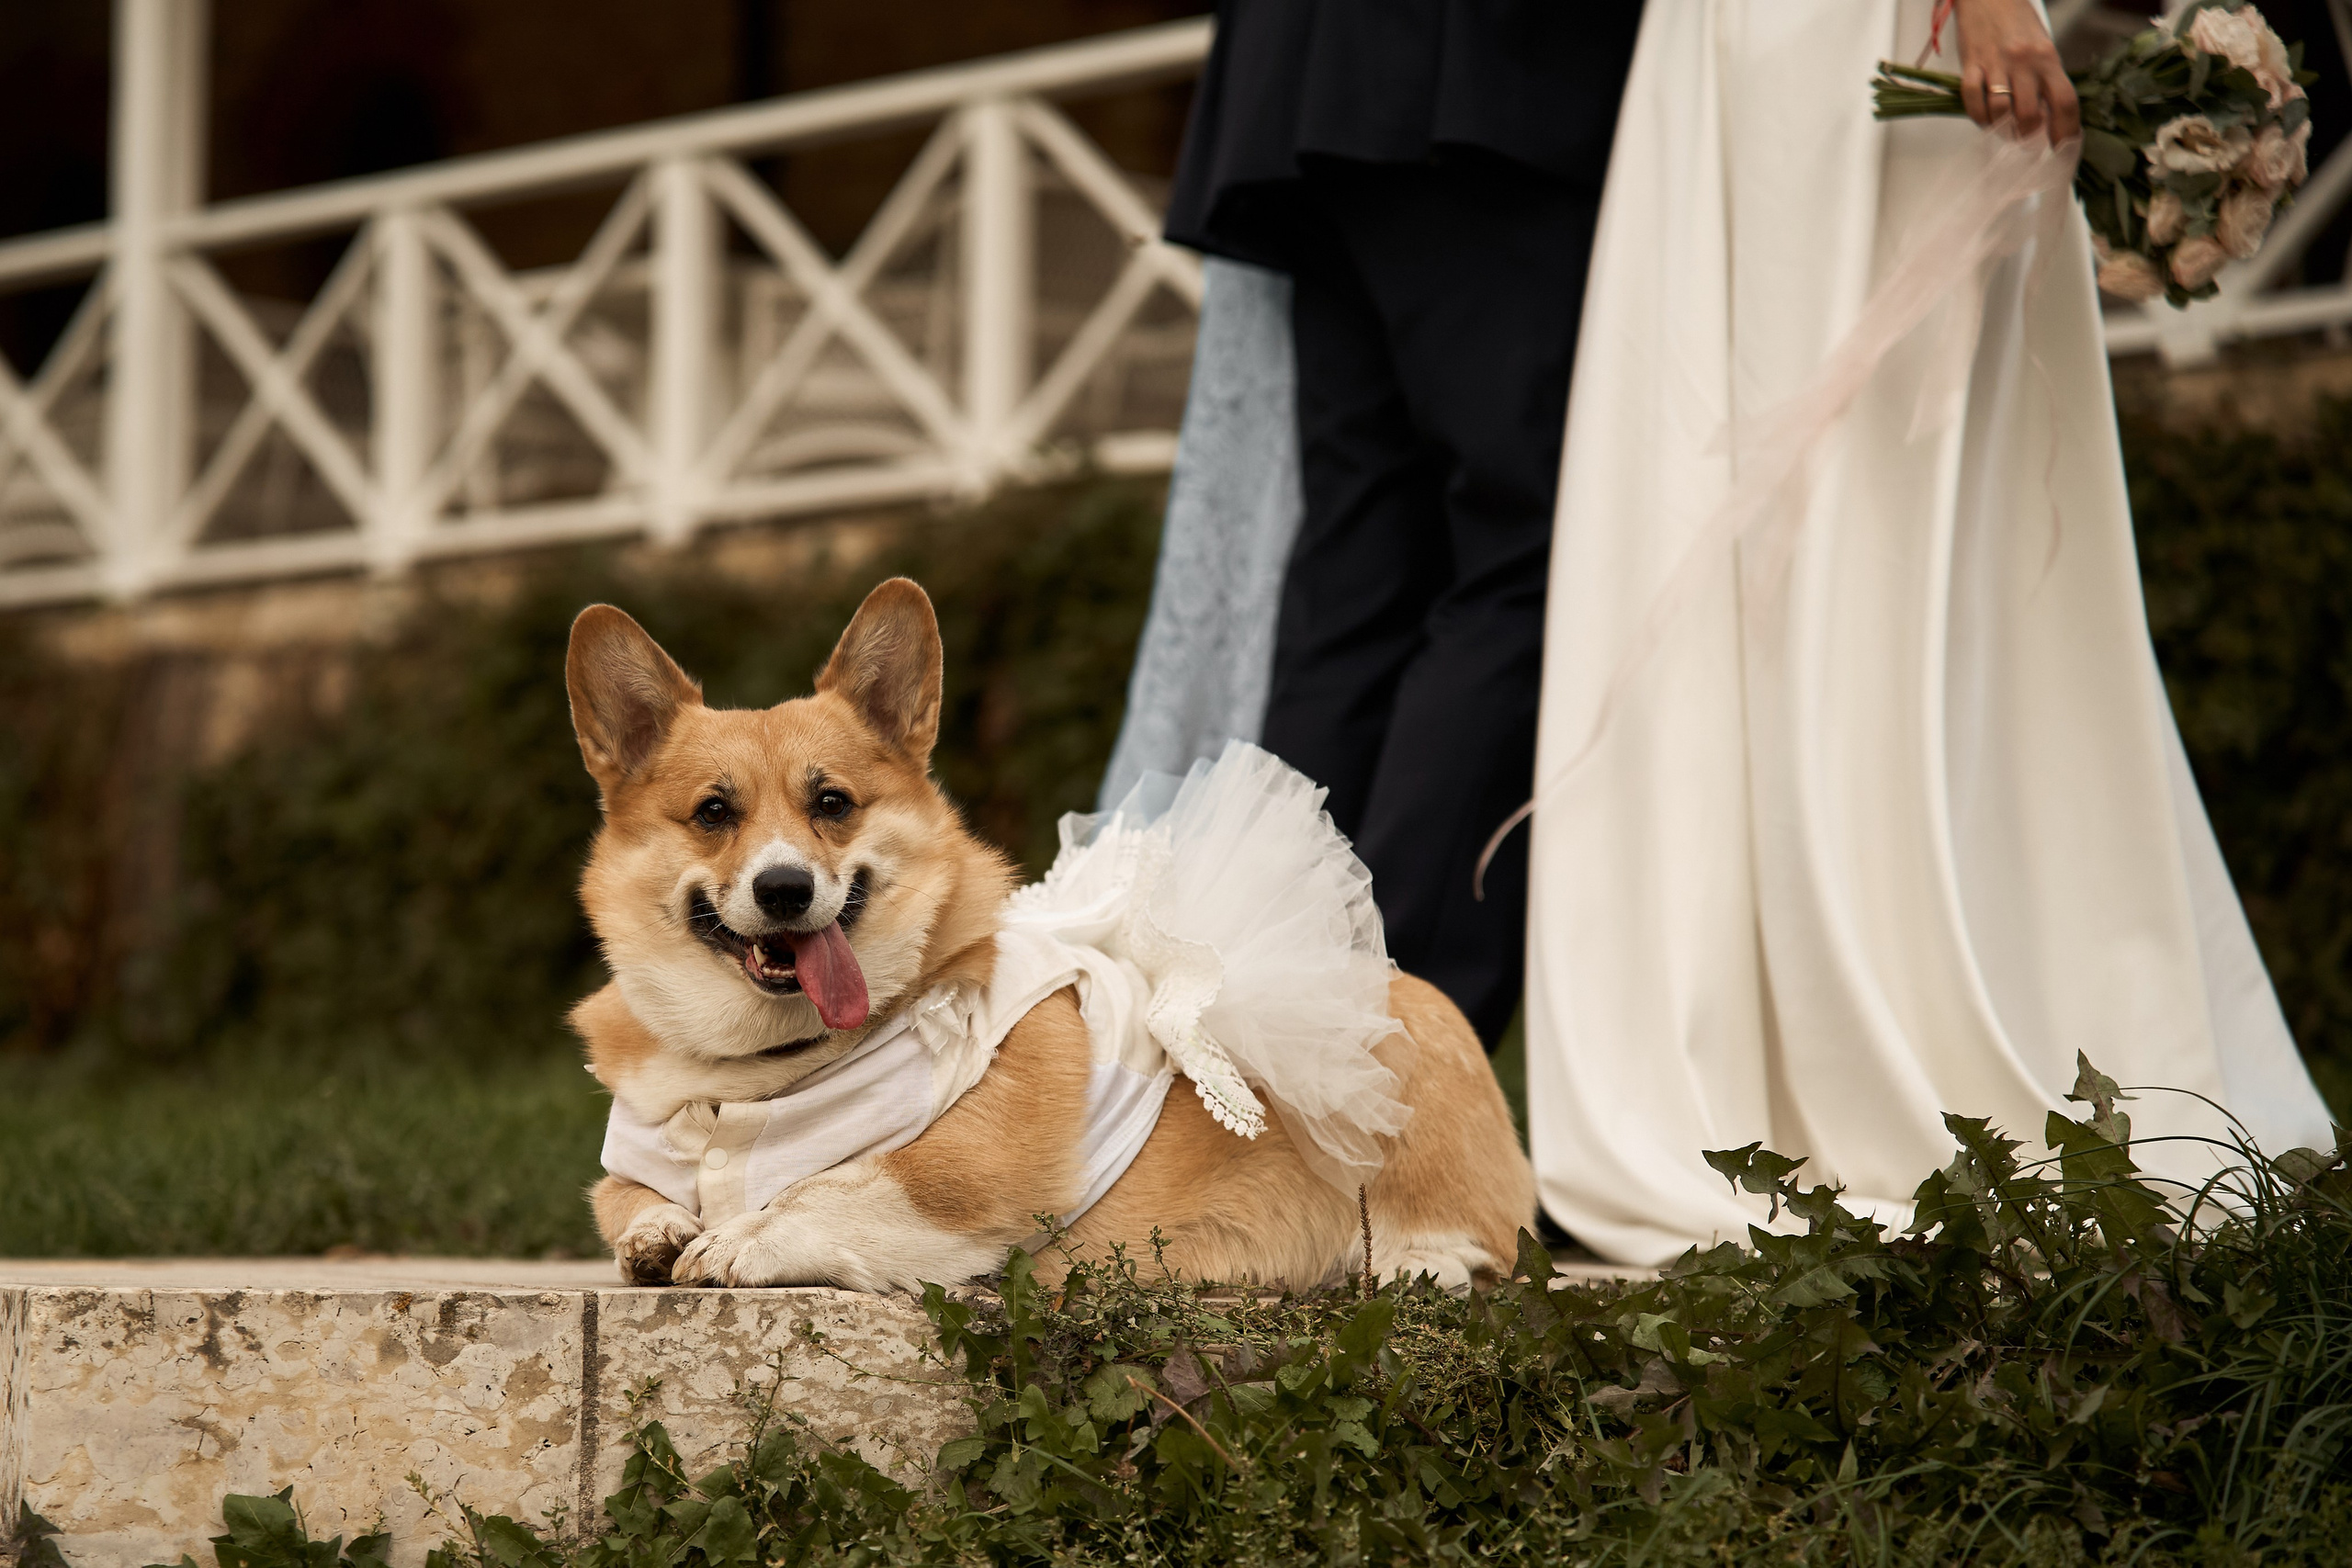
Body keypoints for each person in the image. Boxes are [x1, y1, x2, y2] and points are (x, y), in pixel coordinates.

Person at [1519, 0, 2337, 1264]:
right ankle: (1873, 1029)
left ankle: (1793, 1038)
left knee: (1893, 529)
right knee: (1880, 519)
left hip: (1780, 42)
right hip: (1872, 32)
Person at [1136, 0, 1643, 1048]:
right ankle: (1393, 1036)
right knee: (1530, 555)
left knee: (1360, 572)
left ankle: (1250, 1002)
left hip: (1306, 71)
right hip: (1479, 68)